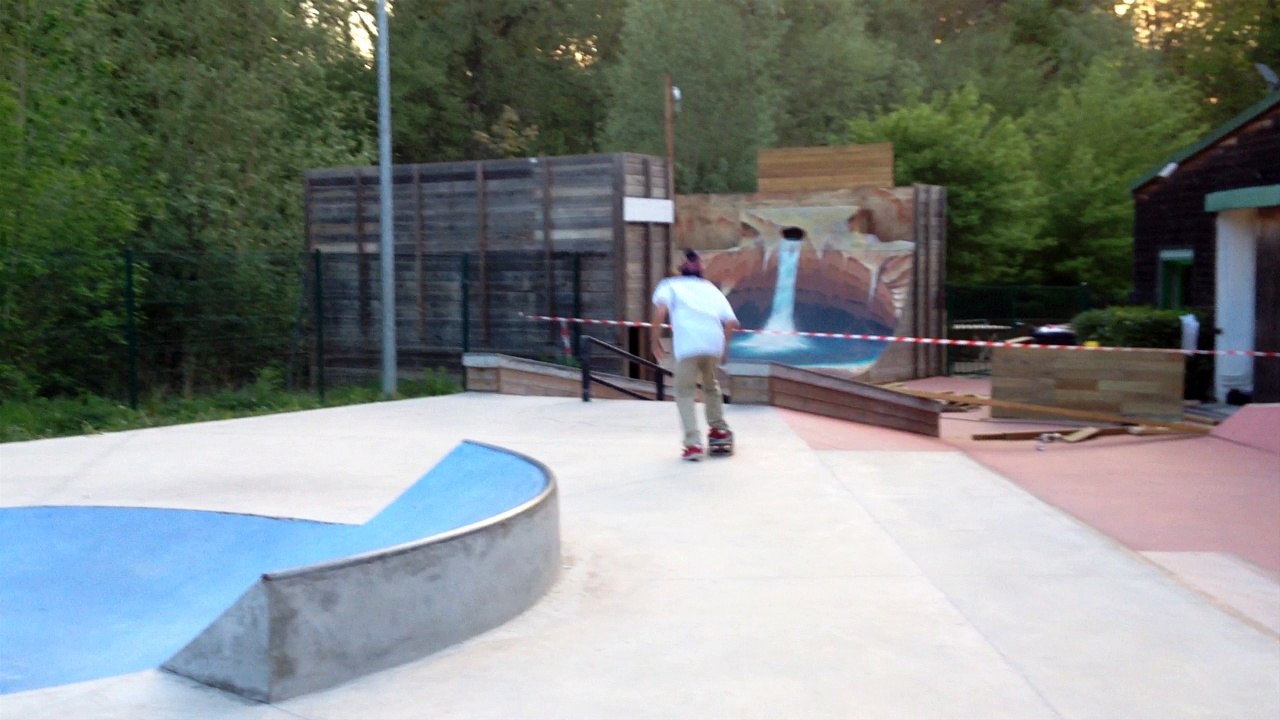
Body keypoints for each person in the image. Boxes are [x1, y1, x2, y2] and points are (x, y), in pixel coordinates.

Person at [650, 249, 740, 461]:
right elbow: (732, 322)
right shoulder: (710, 289)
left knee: (684, 393)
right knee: (711, 386)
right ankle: (718, 429)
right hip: (712, 343)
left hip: (688, 345)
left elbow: (660, 312)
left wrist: (654, 341)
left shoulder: (669, 285)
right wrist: (723, 347)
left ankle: (693, 444)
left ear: (681, 268)